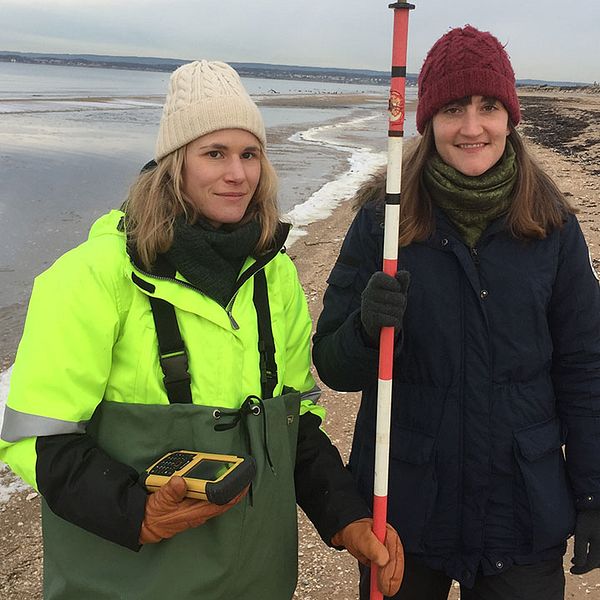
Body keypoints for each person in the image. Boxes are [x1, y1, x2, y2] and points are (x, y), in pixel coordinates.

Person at [0, 60, 404, 599]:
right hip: (127, 579)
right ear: (174, 165)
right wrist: (137, 512)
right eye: (214, 153)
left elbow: (294, 425)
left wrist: (346, 517)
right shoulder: (90, 277)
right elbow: (35, 438)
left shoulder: (274, 277)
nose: (237, 174)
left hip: (257, 576)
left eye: (249, 154)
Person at [313, 25, 600, 600]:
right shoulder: (384, 223)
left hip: (521, 509)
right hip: (404, 511)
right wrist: (367, 327)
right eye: (452, 109)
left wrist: (593, 493)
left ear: (510, 115)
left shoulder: (554, 229)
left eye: (488, 106)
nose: (472, 127)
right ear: (427, 122)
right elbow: (332, 366)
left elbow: (585, 369)